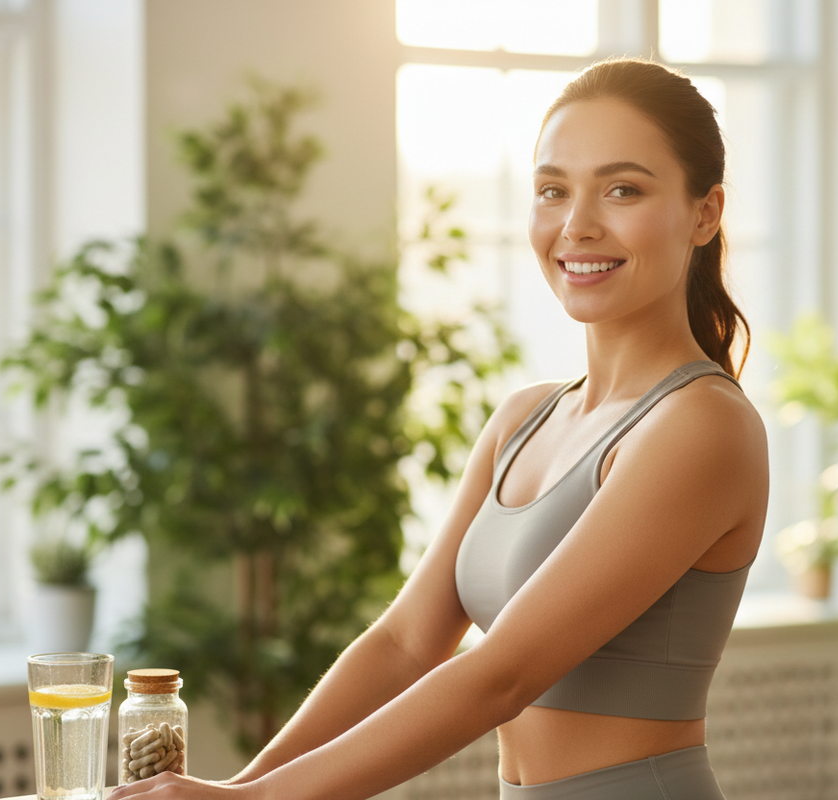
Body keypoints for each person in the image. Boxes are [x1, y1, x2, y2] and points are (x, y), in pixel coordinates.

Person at [109, 57, 768, 800]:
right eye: (553, 190)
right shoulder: (525, 419)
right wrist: (245, 785)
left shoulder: (703, 426)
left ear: (705, 213)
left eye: (622, 189)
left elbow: (502, 674)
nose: (577, 224)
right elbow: (404, 642)